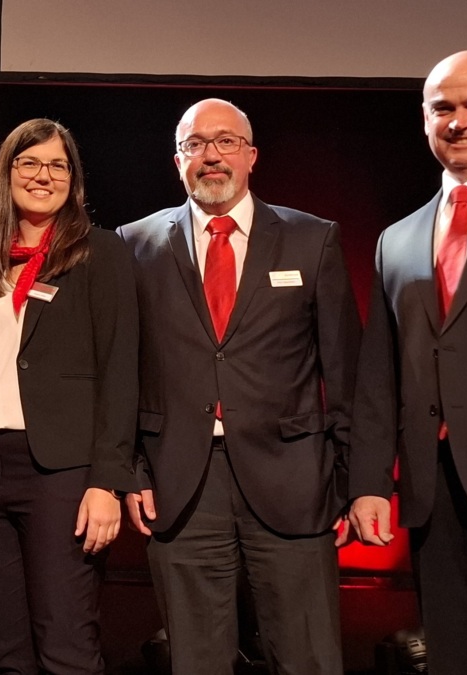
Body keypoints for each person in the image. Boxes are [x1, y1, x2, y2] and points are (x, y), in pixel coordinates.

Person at [117, 98, 360, 675]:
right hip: (180, 485)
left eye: (225, 141)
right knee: (197, 661)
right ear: (178, 161)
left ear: (252, 156)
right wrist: (132, 471)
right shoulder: (133, 244)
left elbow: (346, 372)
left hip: (295, 482)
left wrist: (353, 481)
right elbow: (121, 371)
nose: (211, 156)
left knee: (307, 659)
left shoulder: (312, 239)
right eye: (195, 145)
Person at [349, 50, 467, 673]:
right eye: (443, 108)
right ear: (425, 119)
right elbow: (379, 377)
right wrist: (370, 484)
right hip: (436, 494)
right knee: (458, 657)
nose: (459, 121)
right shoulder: (397, 239)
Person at [0, 118, 140, 674]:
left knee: (66, 645)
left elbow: (121, 369)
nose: (44, 176)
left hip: (61, 474)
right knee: (7, 649)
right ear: (7, 173)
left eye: (58, 165)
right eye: (30, 163)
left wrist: (107, 482)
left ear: (74, 179)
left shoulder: (100, 252)